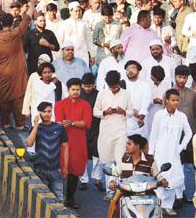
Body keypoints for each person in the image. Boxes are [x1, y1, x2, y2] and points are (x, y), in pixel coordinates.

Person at [148, 88, 193, 216]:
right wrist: (151, 153)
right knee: (159, 178)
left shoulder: (181, 116)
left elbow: (189, 133)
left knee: (174, 178)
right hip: (160, 152)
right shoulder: (159, 115)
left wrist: (181, 147)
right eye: (173, 100)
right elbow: (154, 135)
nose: (175, 103)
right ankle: (158, 205)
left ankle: (168, 206)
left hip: (174, 153)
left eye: (177, 100)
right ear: (166, 100)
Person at [108, 134, 169, 218]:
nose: (126, 146)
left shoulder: (150, 161)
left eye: (129, 144)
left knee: (157, 207)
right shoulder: (123, 159)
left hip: (147, 193)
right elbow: (115, 173)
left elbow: (158, 175)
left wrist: (163, 180)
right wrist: (112, 181)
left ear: (137, 146)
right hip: (126, 192)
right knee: (114, 202)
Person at [54, 77, 93, 209]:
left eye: (78, 89)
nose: (76, 92)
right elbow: (59, 122)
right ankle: (57, 197)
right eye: (73, 89)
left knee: (74, 171)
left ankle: (70, 199)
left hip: (78, 143)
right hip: (62, 141)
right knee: (58, 168)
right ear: (68, 90)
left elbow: (87, 123)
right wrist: (73, 123)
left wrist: (71, 122)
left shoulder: (86, 105)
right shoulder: (60, 104)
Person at [0, 4, 31, 129]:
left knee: (4, 96)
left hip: (3, 72)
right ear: (11, 22)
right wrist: (32, 5)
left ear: (0, 23)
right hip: (17, 70)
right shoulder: (15, 33)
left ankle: (5, 122)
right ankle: (19, 124)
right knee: (18, 96)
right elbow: (27, 19)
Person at [93, 70, 132, 196]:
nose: (114, 89)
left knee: (119, 160)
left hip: (121, 131)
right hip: (106, 131)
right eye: (111, 87)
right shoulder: (102, 94)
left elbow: (131, 111)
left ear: (119, 83)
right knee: (108, 161)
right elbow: (95, 111)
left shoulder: (126, 94)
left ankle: (118, 189)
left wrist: (123, 111)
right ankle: (109, 190)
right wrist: (105, 112)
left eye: (115, 86)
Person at [26, 101, 69, 202]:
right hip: (40, 170)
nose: (47, 114)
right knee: (41, 200)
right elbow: (29, 143)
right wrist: (36, 125)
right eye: (44, 112)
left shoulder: (59, 128)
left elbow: (65, 148)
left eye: (49, 111)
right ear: (39, 113)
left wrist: (65, 167)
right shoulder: (36, 128)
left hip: (56, 170)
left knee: (59, 200)